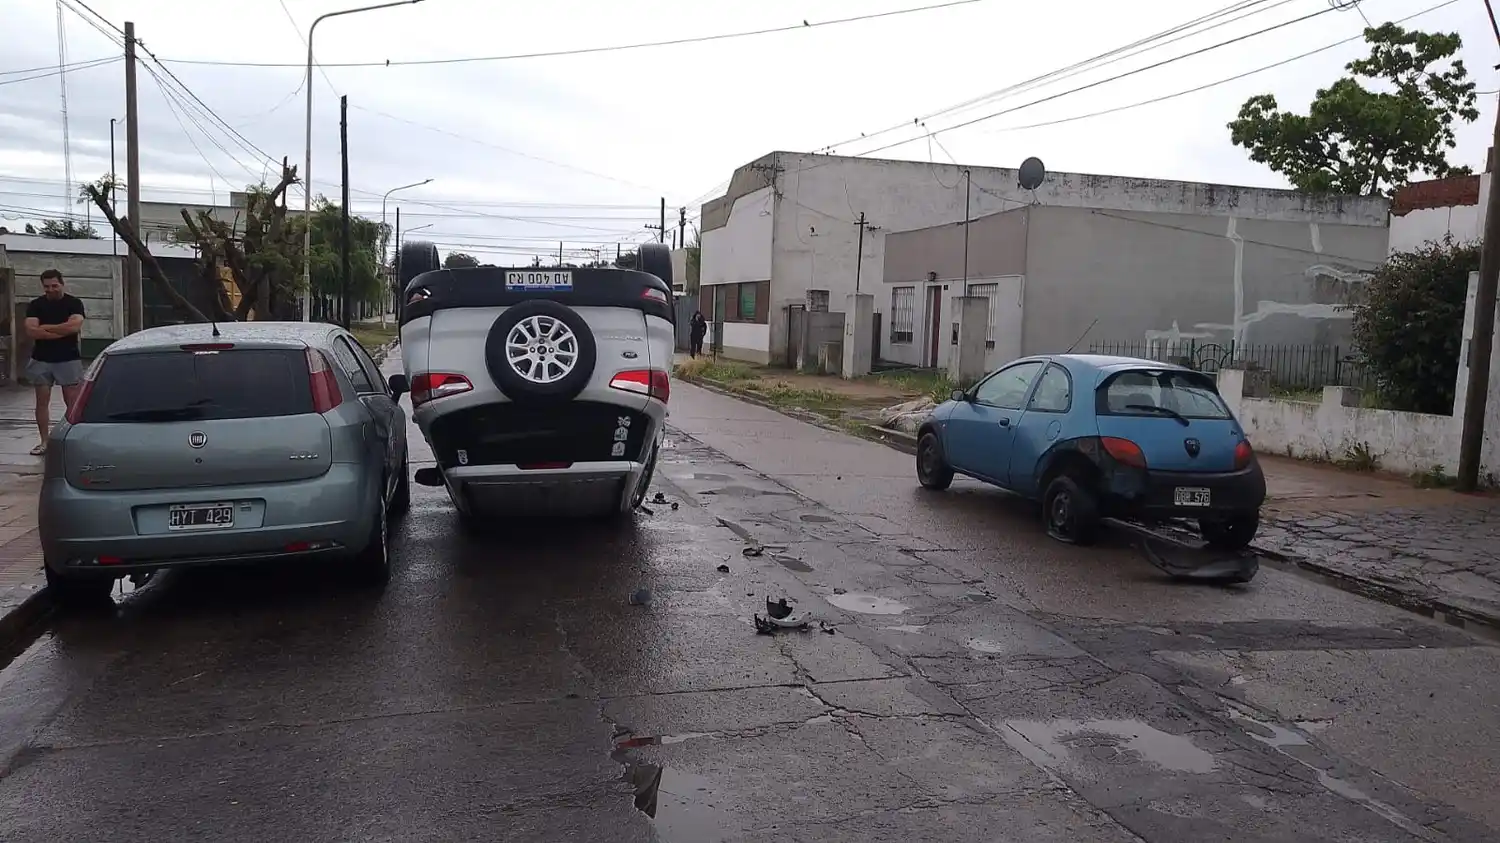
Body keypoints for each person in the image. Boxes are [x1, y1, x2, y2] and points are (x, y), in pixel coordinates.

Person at [24, 269, 86, 455]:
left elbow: (74, 326)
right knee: (42, 402)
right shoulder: (36, 305)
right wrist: (60, 332)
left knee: (73, 403)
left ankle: (75, 439)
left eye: (54, 286)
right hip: (41, 359)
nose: (50, 289)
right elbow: (31, 331)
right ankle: (44, 441)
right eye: (46, 287)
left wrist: (46, 329)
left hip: (68, 358)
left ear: (62, 284)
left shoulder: (73, 303)